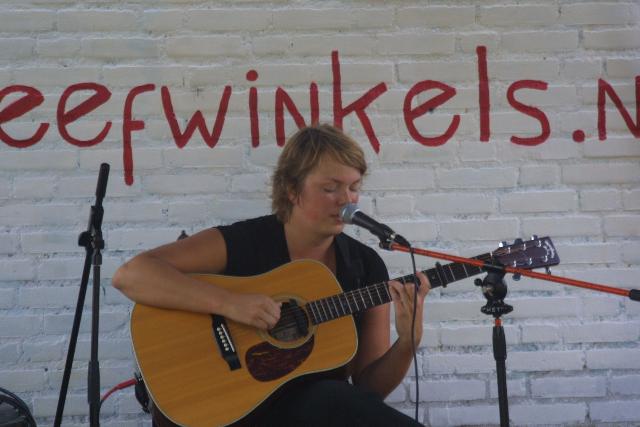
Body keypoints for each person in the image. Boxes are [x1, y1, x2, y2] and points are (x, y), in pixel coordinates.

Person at [113, 123, 430, 426]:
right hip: (223, 408)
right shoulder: (245, 241)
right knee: (334, 398)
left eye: (354, 188)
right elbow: (132, 275)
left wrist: (407, 342)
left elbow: (368, 393)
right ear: (292, 190)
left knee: (335, 397)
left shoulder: (364, 266)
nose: (347, 201)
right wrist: (229, 303)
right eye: (330, 188)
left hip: (309, 412)